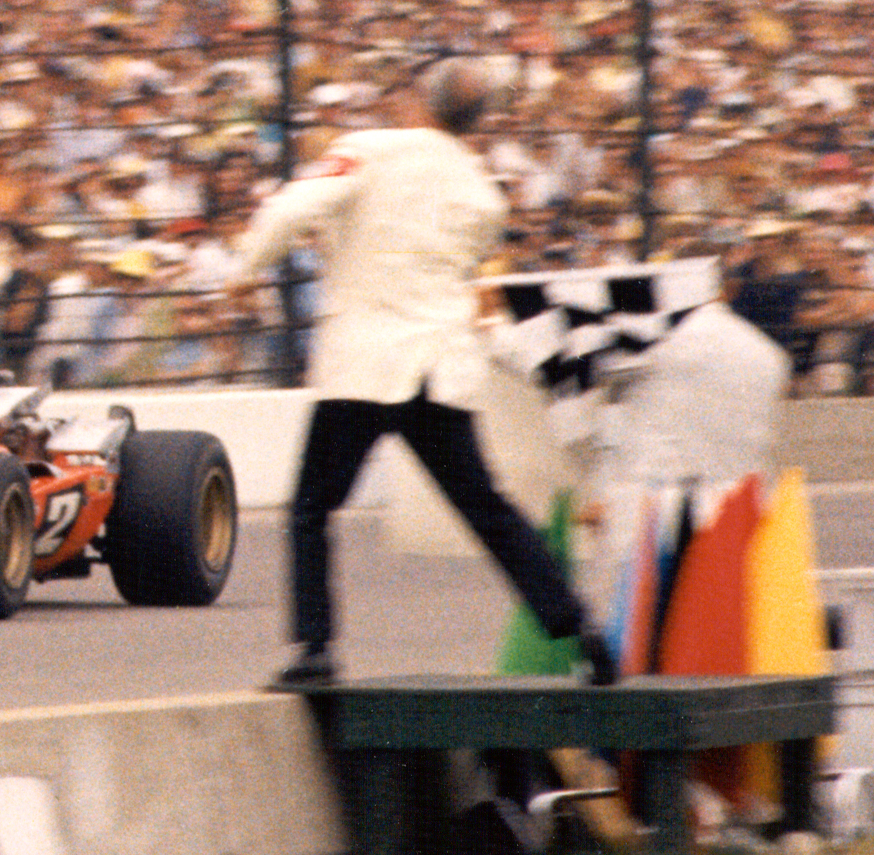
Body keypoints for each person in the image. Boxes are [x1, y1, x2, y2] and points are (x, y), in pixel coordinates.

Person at [233, 58, 614, 688]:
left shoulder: (368, 149)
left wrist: (245, 267)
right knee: (487, 510)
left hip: (363, 366)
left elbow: (287, 211)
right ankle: (582, 631)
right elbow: (432, 257)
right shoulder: (483, 194)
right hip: (439, 368)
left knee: (311, 508)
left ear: (421, 101)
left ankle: (316, 649)